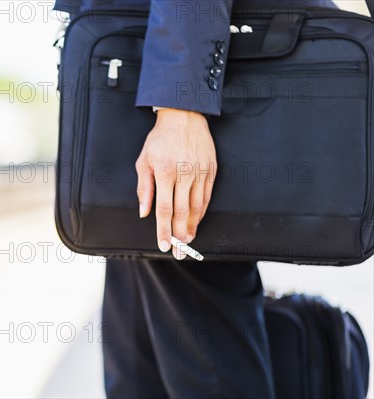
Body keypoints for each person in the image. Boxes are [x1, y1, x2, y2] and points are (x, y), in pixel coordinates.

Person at [52, 0, 339, 397]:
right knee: (139, 369)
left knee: (204, 366)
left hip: (176, 80)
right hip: (142, 63)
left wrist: (181, 102)